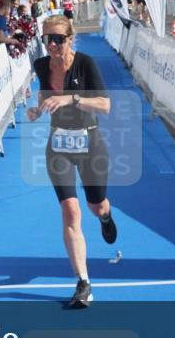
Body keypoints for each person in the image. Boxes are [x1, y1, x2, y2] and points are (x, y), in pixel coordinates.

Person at [28, 15, 115, 308]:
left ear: (70, 38)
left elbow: (105, 105)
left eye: (58, 39)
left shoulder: (86, 63)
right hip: (59, 145)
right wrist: (38, 110)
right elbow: (44, 94)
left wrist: (72, 99)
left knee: (96, 204)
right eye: (47, 39)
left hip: (90, 142)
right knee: (70, 211)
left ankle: (105, 216)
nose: (52, 44)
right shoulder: (41, 65)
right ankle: (83, 282)